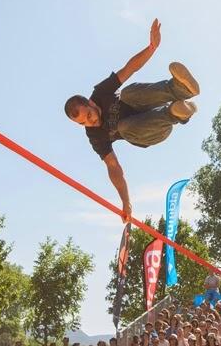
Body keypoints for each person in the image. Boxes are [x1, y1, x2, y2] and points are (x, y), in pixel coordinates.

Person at [63, 19, 200, 219]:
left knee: (126, 93)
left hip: (145, 105)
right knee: (124, 127)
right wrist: (125, 201)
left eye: (89, 115)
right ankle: (173, 113)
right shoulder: (95, 135)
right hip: (151, 132)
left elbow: (129, 69)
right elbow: (113, 167)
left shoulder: (101, 93)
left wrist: (152, 47)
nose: (90, 122)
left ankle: (180, 91)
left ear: (91, 103)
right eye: (83, 123)